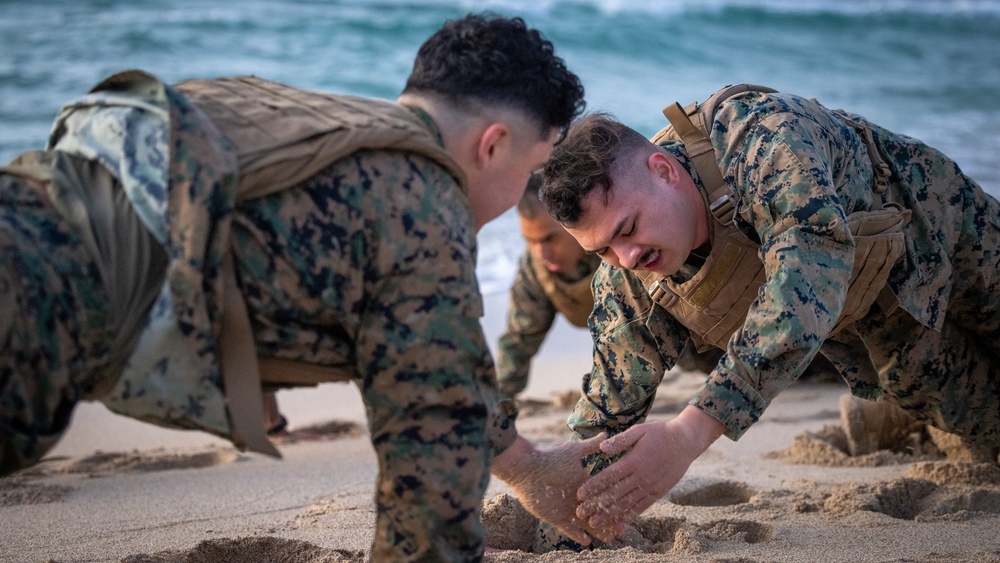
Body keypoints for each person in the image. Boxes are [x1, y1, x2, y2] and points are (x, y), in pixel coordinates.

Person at [0, 13, 597, 560]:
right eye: (529, 170)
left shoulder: (294, 118)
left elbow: (447, 368)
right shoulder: (424, 207)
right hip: (36, 319)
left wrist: (525, 468)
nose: (526, 191)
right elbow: (433, 473)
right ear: (492, 146)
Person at [538, 85, 1000, 543]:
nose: (627, 257)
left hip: (950, 232)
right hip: (887, 324)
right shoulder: (627, 274)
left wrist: (687, 434)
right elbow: (610, 399)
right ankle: (893, 418)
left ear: (663, 171)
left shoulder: (765, 140)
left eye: (628, 229)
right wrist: (556, 515)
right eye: (603, 251)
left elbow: (801, 287)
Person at [495, 172, 601, 400]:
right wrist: (493, 404)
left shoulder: (618, 248)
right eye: (529, 241)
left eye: (549, 239)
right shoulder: (535, 269)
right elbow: (519, 343)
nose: (541, 253)